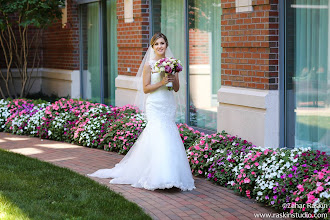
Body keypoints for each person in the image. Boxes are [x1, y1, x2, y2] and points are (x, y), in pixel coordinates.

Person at [88, 33, 195, 191]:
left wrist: (173, 78)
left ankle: (172, 176)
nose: (160, 46)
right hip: (155, 104)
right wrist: (161, 82)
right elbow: (146, 89)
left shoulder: (173, 64)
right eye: (157, 44)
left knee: (169, 135)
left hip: (168, 104)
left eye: (162, 43)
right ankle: (159, 177)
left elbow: (177, 88)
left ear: (166, 45)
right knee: (159, 135)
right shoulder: (149, 65)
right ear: (152, 47)